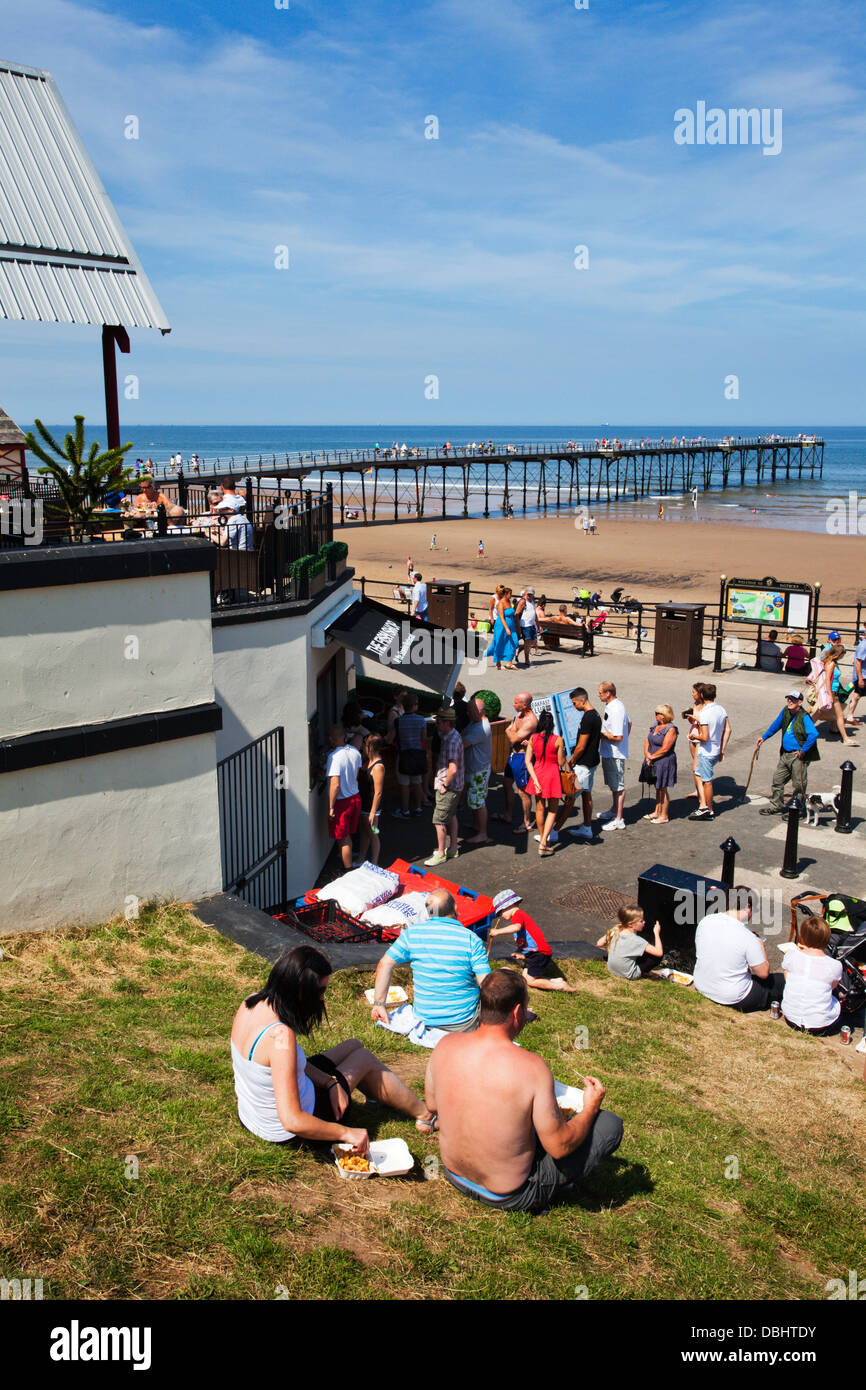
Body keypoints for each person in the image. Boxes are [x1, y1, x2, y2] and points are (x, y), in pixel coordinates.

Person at [425, 970, 623, 1213]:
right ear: (518, 1012)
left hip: (454, 1173)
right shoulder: (532, 1068)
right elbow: (559, 1146)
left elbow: (433, 1106)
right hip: (510, 1194)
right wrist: (591, 1107)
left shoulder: (444, 1045)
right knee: (609, 1124)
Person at [231, 945, 436, 1153]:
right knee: (363, 1058)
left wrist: (330, 1083)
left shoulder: (251, 1002)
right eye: (320, 992)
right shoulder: (281, 1038)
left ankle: (377, 1094)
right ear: (301, 992)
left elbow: (288, 1064)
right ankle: (425, 1115)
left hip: (252, 1116)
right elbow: (292, 1121)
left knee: (353, 1045)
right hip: (292, 1132)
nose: (322, 999)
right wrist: (346, 1133)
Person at [370, 889, 490, 1032]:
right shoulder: (471, 939)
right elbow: (486, 983)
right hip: (464, 1022)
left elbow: (385, 964)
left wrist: (379, 1004)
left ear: (429, 912)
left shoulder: (412, 934)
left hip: (424, 1020)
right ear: (456, 909)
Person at [693, 887, 784, 1013]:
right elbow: (763, 973)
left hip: (702, 984)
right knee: (780, 980)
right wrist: (760, 945)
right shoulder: (748, 937)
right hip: (733, 997)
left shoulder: (705, 921)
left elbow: (700, 950)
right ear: (747, 907)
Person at [488, 890, 577, 992]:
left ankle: (560, 986)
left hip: (539, 953)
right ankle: (555, 981)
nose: (501, 915)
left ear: (509, 905)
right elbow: (526, 940)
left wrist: (497, 932)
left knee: (530, 981)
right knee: (525, 977)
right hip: (533, 953)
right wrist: (522, 954)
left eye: (500, 912)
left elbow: (516, 927)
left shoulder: (518, 914)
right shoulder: (517, 917)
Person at [756, 689, 820, 815]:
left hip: (797, 756)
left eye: (793, 699)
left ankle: (798, 811)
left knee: (798, 785)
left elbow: (813, 734)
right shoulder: (786, 711)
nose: (790, 701)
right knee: (777, 780)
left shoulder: (804, 716)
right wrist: (764, 737)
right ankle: (776, 806)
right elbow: (776, 725)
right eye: (788, 698)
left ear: (800, 702)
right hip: (785, 754)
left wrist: (803, 750)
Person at [781, 916, 843, 1036]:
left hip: (791, 1018)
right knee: (836, 994)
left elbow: (787, 975)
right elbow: (832, 987)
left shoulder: (792, 955)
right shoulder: (835, 965)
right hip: (820, 1025)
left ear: (802, 938)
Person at [493, 693, 538, 834]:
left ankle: (527, 823)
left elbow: (512, 737)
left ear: (525, 705)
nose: (513, 704)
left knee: (523, 792)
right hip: (513, 755)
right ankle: (508, 815)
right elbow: (511, 733)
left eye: (516, 702)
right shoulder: (518, 715)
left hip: (524, 758)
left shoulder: (531, 721)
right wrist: (512, 733)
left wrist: (511, 732)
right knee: (507, 783)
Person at [686, 682, 731, 821]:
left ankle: (708, 809)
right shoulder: (721, 709)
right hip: (716, 749)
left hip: (706, 751)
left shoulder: (705, 712)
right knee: (699, 774)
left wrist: (694, 736)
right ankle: (703, 805)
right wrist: (722, 749)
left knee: (707, 781)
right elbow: (728, 729)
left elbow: (704, 737)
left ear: (702, 695)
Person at [425, 707, 464, 867]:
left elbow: (452, 769)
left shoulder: (452, 740)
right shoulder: (451, 735)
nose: (437, 725)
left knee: (438, 820)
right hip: (455, 786)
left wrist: (444, 786)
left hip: (448, 786)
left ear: (447, 723)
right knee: (451, 815)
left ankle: (441, 853)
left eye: (439, 722)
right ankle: (453, 848)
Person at [525, 710, 566, 856]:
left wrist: (535, 780)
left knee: (540, 809)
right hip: (552, 775)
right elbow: (561, 762)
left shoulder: (533, 738)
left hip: (538, 774)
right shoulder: (558, 739)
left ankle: (543, 838)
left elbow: (528, 761)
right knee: (553, 810)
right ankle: (543, 843)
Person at [326, 725, 362, 871]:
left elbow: (335, 784)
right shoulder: (355, 752)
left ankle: (348, 871)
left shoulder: (334, 757)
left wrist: (331, 807)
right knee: (348, 836)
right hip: (355, 797)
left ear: (331, 739)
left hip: (343, 802)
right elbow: (356, 775)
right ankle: (349, 863)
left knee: (343, 838)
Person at [596, 905, 664, 980]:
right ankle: (643, 972)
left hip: (612, 969)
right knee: (656, 957)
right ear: (630, 924)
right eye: (641, 921)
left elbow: (599, 943)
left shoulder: (616, 931)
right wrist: (656, 933)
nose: (644, 922)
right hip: (629, 974)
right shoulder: (637, 941)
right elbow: (659, 953)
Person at [598, 681, 630, 830]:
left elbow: (618, 737)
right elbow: (629, 723)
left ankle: (619, 818)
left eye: (600, 693)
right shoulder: (614, 706)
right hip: (610, 752)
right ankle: (613, 810)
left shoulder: (616, 709)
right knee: (613, 784)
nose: (598, 695)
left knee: (618, 786)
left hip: (615, 753)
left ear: (608, 693)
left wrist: (601, 735)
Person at [392, 691, 427, 817]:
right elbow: (423, 738)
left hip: (403, 756)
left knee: (404, 785)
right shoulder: (421, 720)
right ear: (415, 705)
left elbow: (393, 738)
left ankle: (405, 810)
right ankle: (418, 808)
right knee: (417, 782)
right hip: (417, 755)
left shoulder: (398, 721)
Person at [462, 696, 492, 845]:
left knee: (478, 802)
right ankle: (476, 825)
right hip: (475, 768)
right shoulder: (475, 722)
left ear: (479, 711)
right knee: (474, 800)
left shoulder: (480, 728)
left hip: (478, 771)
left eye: (470, 711)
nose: (468, 714)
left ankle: (482, 833)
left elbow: (462, 743)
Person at [642, 704, 678, 824]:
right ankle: (657, 811)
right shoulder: (655, 726)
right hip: (652, 759)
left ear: (663, 716)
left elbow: (665, 748)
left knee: (662, 788)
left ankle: (664, 815)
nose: (655, 715)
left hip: (664, 761)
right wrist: (647, 754)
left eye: (657, 713)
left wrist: (652, 756)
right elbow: (647, 740)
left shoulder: (671, 729)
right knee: (657, 787)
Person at [822, 643, 858, 746]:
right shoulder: (831, 664)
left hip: (834, 691)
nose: (844, 655)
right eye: (843, 653)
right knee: (840, 715)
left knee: (819, 713)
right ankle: (845, 738)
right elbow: (827, 680)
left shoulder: (834, 662)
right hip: (832, 692)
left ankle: (802, 729)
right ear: (839, 654)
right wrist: (829, 694)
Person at [357, 734, 385, 866]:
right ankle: (361, 858)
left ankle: (375, 863)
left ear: (371, 747)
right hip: (363, 804)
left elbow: (378, 792)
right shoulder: (366, 761)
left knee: (373, 833)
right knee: (364, 832)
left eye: (365, 744)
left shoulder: (378, 767)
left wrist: (373, 813)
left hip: (371, 807)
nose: (363, 747)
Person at [489, 586, 519, 670]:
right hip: (502, 626)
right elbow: (501, 617)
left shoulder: (508, 601)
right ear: (506, 594)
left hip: (511, 625)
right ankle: (498, 663)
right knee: (500, 642)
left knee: (513, 642)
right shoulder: (501, 603)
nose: (511, 595)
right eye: (510, 594)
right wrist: (506, 628)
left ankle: (509, 662)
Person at [848, 628, 866, 721]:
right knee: (857, 695)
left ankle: (850, 716)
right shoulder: (864, 645)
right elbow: (858, 662)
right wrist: (860, 679)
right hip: (862, 676)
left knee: (856, 694)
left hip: (862, 675)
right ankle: (849, 715)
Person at [518, 586, 538, 667]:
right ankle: (527, 660)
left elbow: (534, 613)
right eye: (528, 594)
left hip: (532, 624)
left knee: (533, 642)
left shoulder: (532, 601)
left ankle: (519, 650)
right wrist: (518, 626)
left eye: (531, 594)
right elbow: (517, 613)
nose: (529, 596)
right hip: (525, 625)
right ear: (526, 593)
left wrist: (538, 623)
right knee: (528, 643)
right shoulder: (523, 601)